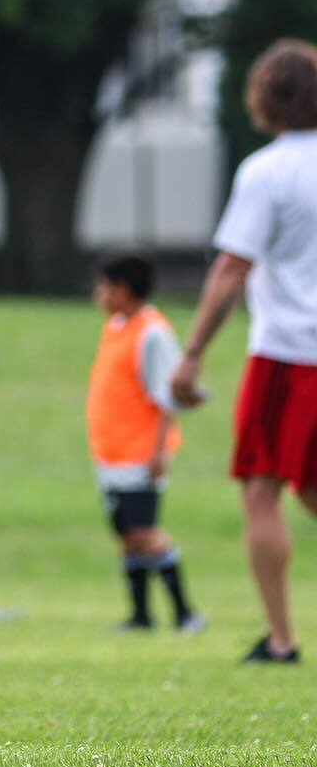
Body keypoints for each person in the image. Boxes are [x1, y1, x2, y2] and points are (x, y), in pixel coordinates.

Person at [171, 39, 317, 665]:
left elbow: (232, 268)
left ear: (264, 99)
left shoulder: (267, 172)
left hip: (289, 353)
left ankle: (281, 639)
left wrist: (192, 353)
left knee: (263, 491)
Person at [87, 255, 203, 634]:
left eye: (103, 286)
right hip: (112, 452)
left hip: (140, 453)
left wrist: (159, 452)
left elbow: (167, 397)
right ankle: (140, 616)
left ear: (123, 289)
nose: (98, 294)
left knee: (144, 533)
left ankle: (185, 613)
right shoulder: (116, 326)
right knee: (126, 534)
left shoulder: (153, 333)